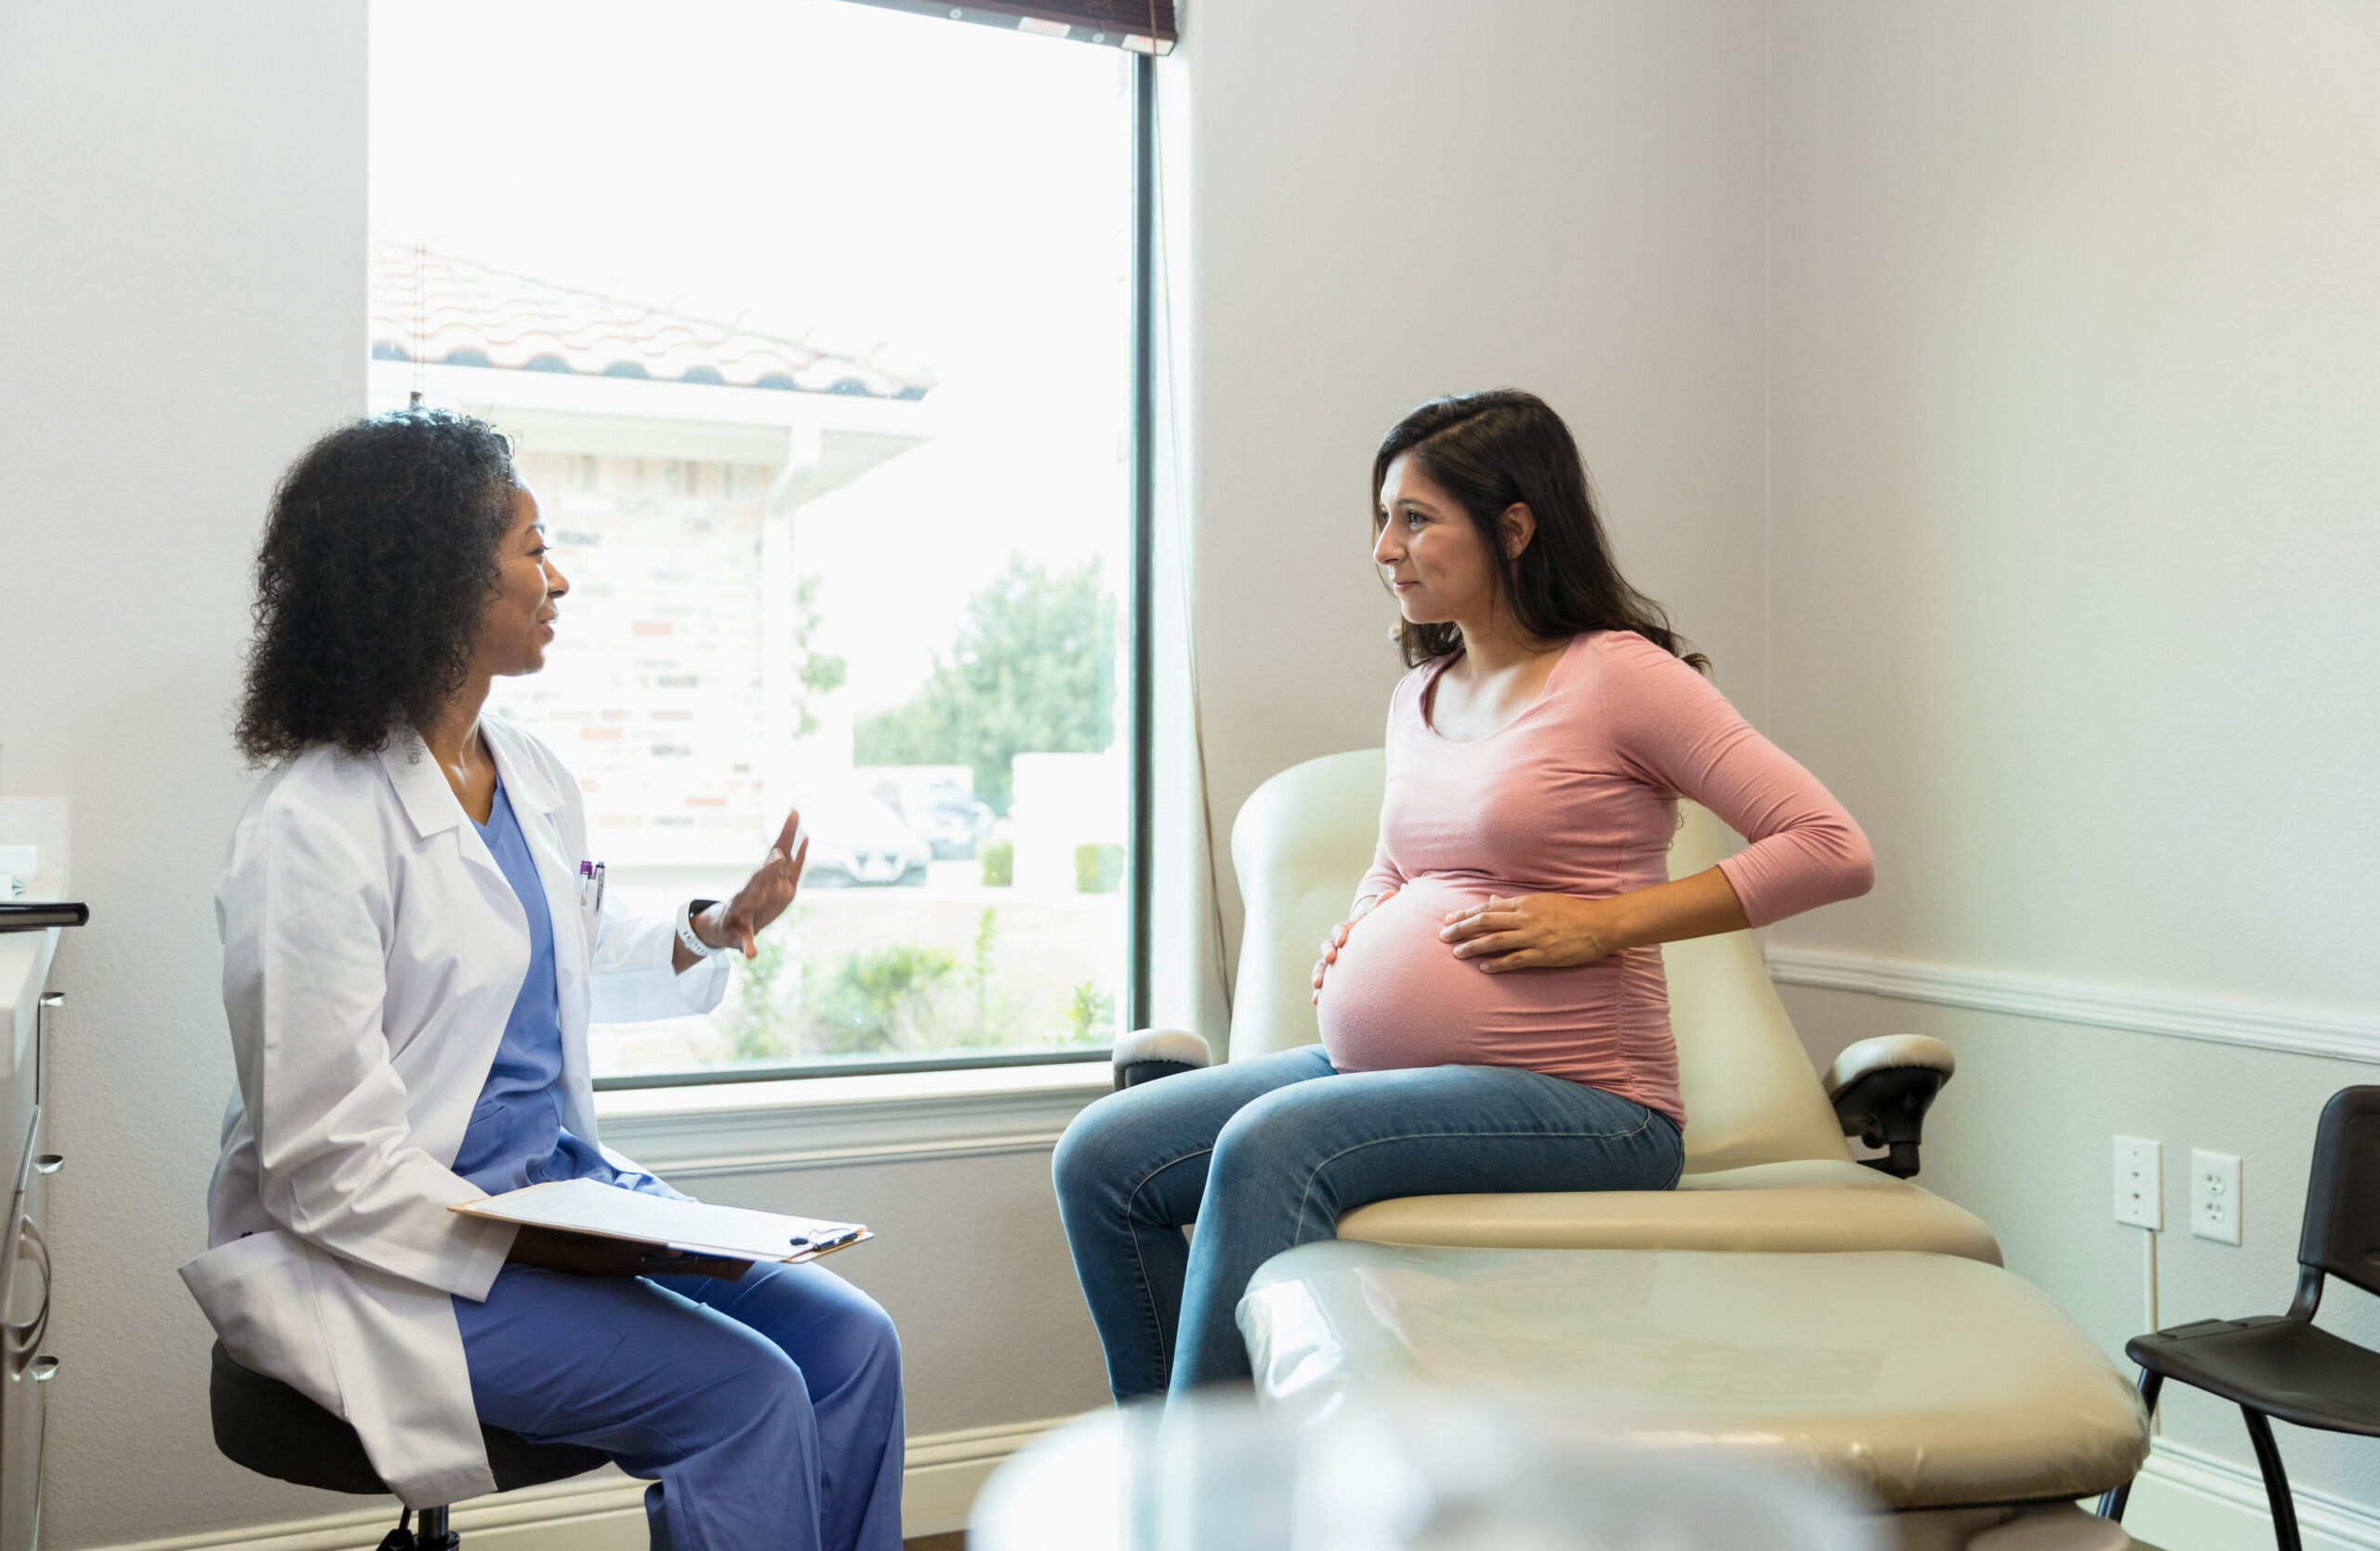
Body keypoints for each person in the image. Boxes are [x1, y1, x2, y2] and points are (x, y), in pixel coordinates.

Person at [1053, 390, 1875, 1401]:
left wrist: (1605, 922)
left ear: (1514, 527)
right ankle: (1174, 1467)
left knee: (1275, 1143)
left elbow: (1830, 847)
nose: (1382, 548)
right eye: (1381, 519)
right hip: (1386, 1076)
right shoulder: (1420, 692)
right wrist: (1361, 926)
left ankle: (1214, 1511)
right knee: (1103, 1158)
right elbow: (1405, 860)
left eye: (1414, 517)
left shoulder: (1619, 676)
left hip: (1590, 1105)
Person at [179, 410, 902, 1551]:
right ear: (438, 585)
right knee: (746, 1398)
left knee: (854, 1346)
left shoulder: (528, 774)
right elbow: (322, 1169)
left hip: (561, 1197)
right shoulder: (310, 828)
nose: (556, 578)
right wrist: (538, 1241)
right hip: (402, 1248)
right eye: (532, 548)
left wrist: (711, 928)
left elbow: (548, 950)